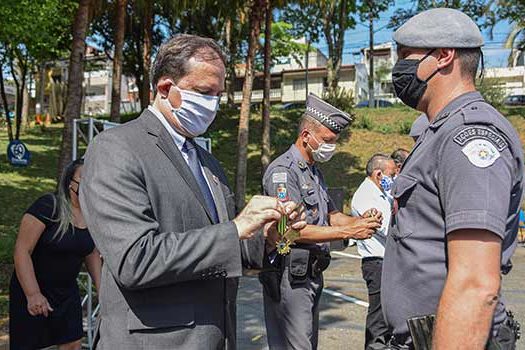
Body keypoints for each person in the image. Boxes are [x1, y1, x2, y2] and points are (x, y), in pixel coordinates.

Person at [79, 34, 304, 350]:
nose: (213, 104)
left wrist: (267, 237)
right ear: (166, 89)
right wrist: (236, 228)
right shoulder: (116, 148)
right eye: (203, 92)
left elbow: (222, 247)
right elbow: (135, 260)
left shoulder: (206, 161)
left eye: (218, 94)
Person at [383, 8, 523, 349]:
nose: (399, 70)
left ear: (444, 56)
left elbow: (476, 284)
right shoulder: (440, 133)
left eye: (405, 57)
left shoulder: (470, 136)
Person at [261, 93, 383, 350]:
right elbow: (285, 233)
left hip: (312, 274)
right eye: (327, 141)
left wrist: (360, 221)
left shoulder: (314, 172)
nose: (331, 147)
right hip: (289, 275)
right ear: (306, 135)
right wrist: (347, 231)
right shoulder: (283, 173)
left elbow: (332, 215)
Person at [9, 159, 102, 350]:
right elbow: (21, 251)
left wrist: (103, 292)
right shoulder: (48, 206)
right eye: (84, 178)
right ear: (70, 182)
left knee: (73, 343)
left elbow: (91, 253)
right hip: (33, 287)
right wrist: (33, 294)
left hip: (67, 293)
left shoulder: (93, 215)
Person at [351, 154, 396, 349]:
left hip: (386, 261)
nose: (393, 179)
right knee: (379, 319)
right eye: (392, 175)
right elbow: (386, 229)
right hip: (376, 263)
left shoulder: (381, 193)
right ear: (379, 174)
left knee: (388, 316)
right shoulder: (365, 196)